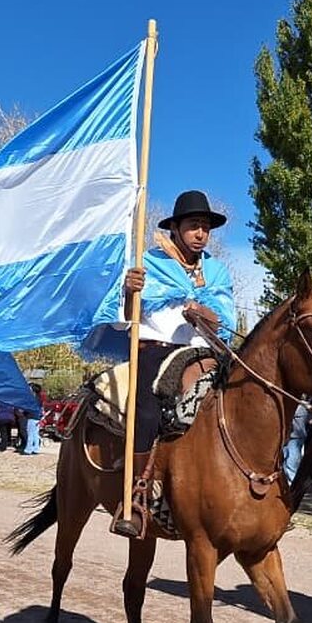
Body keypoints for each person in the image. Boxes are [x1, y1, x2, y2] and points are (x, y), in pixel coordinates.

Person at [85, 190, 237, 537]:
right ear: (175, 229)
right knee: (148, 409)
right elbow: (118, 315)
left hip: (205, 352)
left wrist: (204, 313)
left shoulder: (215, 272)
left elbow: (226, 321)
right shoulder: (148, 264)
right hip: (155, 349)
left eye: (205, 228)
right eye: (194, 226)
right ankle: (137, 494)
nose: (201, 233)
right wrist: (127, 290)